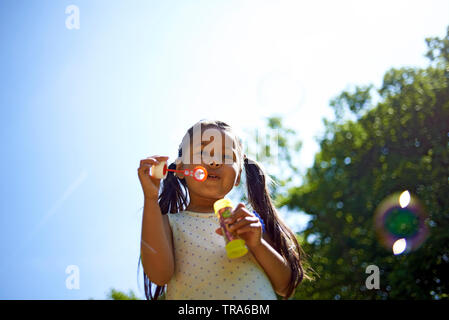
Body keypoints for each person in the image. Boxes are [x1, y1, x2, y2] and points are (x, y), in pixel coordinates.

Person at [137, 119, 308, 300]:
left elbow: (286, 286)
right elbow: (159, 274)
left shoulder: (249, 221)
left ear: (238, 176)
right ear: (180, 169)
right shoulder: (169, 222)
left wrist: (257, 244)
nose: (215, 161)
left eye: (226, 156)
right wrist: (150, 198)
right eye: (202, 152)